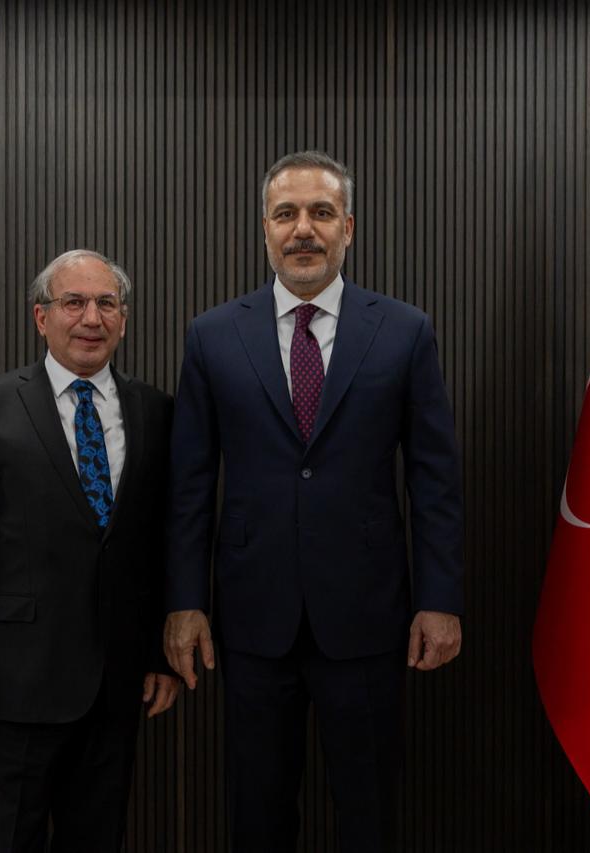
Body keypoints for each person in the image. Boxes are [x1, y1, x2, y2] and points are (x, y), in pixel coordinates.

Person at [164, 151, 465, 852]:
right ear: (265, 230)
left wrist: (440, 597)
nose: (304, 229)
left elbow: (435, 478)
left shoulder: (404, 330)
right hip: (250, 622)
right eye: (287, 214)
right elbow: (188, 483)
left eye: (321, 213)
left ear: (349, 228)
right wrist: (185, 601)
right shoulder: (213, 335)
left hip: (368, 620)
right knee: (258, 815)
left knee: (369, 813)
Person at [0, 249, 180, 853]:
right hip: (14, 689)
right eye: (73, 303)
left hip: (116, 688)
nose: (90, 317)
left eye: (106, 303)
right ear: (42, 318)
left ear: (123, 319)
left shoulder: (156, 412)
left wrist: (158, 654)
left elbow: (161, 545)